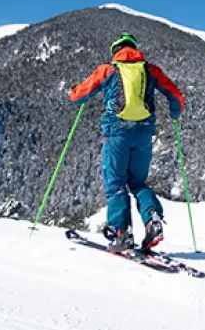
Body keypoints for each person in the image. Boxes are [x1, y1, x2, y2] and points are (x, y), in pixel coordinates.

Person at [69, 32, 185, 252]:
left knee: (116, 185)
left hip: (117, 135)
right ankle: (152, 220)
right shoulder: (150, 70)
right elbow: (176, 96)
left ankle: (121, 233)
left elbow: (77, 96)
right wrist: (174, 112)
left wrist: (74, 91)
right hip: (143, 135)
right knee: (138, 184)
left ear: (116, 51)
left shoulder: (108, 70)